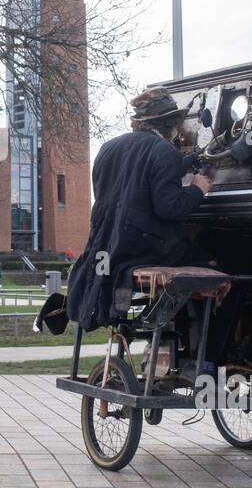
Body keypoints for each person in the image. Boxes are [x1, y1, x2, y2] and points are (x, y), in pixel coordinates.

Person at [66, 91, 213, 332]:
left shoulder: (108, 147)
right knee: (213, 259)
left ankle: (170, 329)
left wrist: (183, 163)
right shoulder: (163, 151)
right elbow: (170, 207)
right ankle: (182, 335)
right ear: (173, 124)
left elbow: (134, 179)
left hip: (109, 245)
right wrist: (198, 189)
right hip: (141, 249)